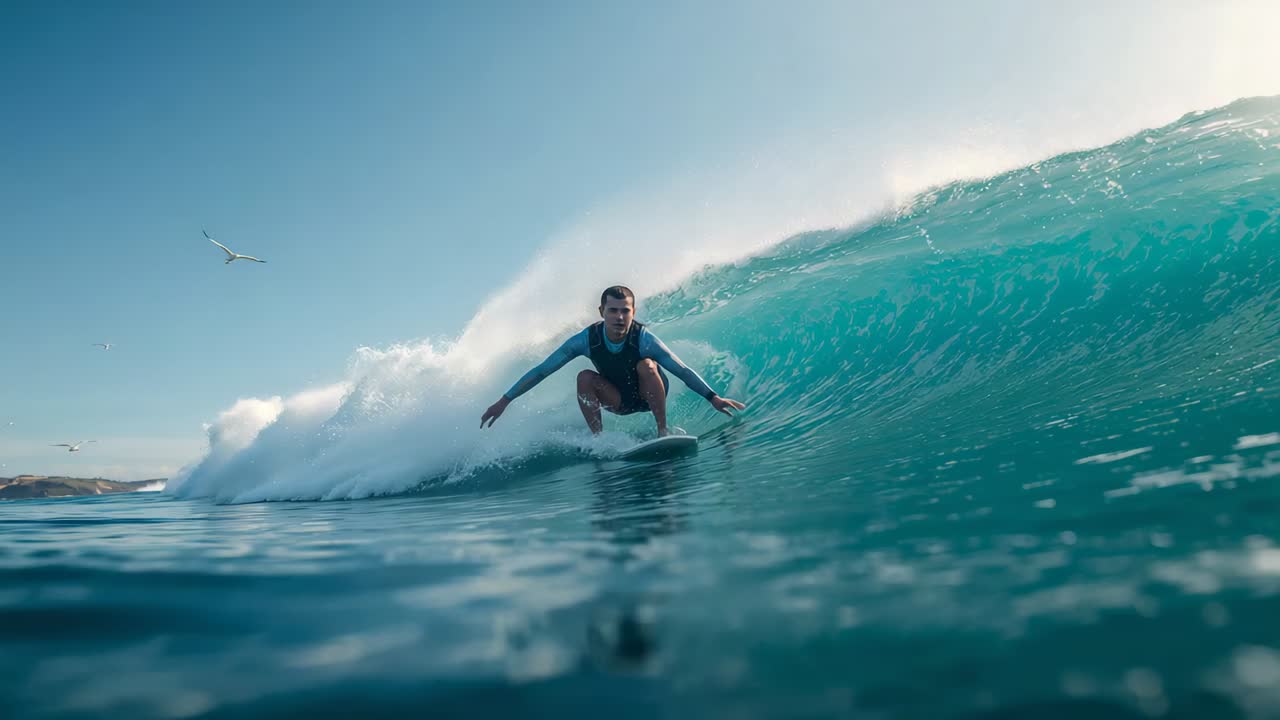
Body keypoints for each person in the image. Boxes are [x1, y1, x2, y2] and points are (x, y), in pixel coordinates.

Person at [481, 286, 746, 436]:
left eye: (625, 311)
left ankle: (662, 431)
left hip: (648, 394)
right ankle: (599, 440)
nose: (619, 317)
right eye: (613, 310)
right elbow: (542, 371)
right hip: (617, 400)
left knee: (648, 364)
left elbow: (681, 370)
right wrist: (505, 400)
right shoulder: (585, 340)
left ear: (633, 312)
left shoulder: (644, 338)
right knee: (583, 377)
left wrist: (713, 397)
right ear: (602, 311)